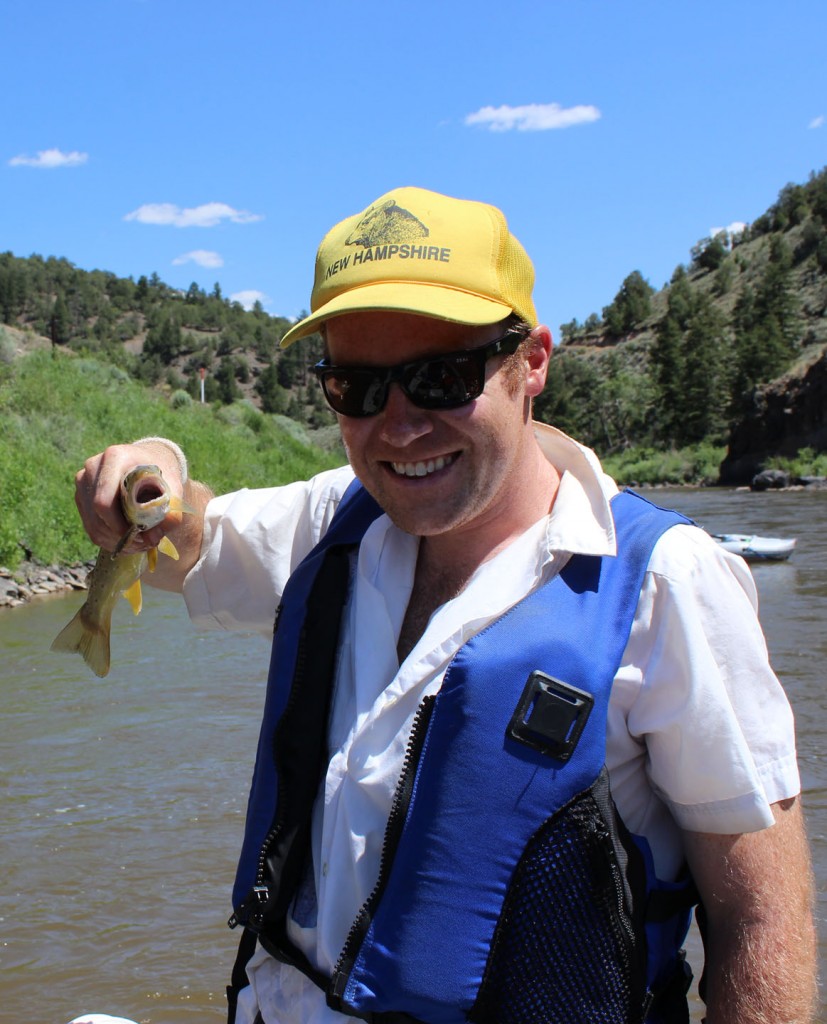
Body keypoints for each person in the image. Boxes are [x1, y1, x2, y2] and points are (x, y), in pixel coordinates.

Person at [74, 187, 816, 1024]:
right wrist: (149, 461)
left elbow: (760, 921)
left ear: (531, 360)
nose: (397, 426)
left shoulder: (667, 584)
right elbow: (183, 534)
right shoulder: (335, 521)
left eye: (440, 377)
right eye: (354, 385)